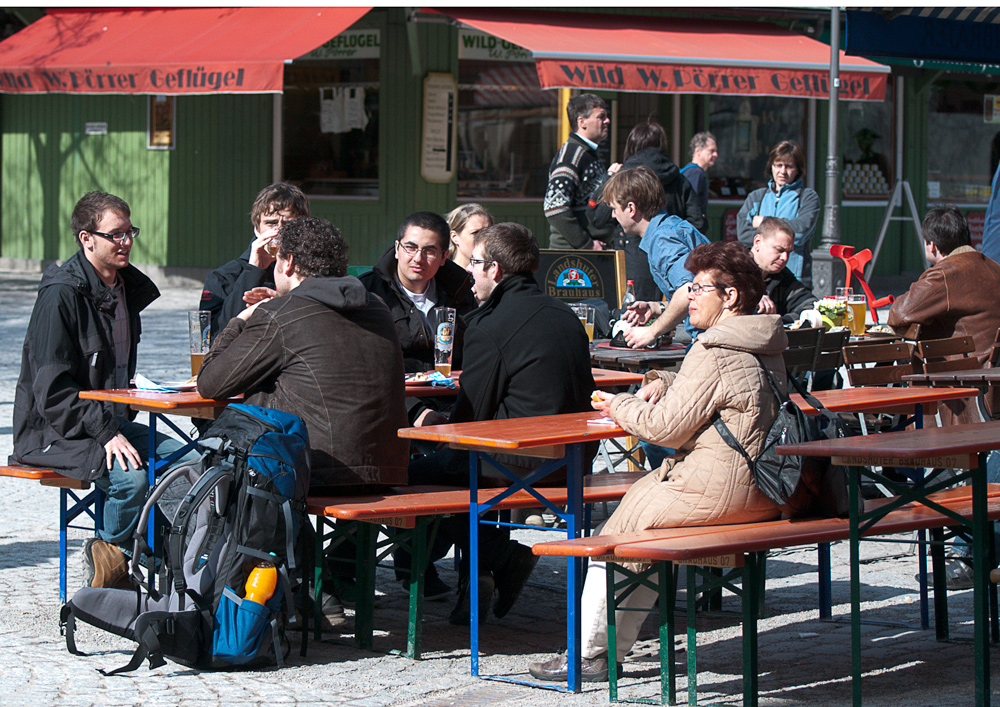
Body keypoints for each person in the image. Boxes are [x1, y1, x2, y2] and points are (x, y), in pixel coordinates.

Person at [528, 241, 786, 682]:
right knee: (638, 516)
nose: (688, 296)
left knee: (615, 533)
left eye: (700, 288)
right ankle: (603, 648)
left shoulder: (714, 351)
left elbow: (665, 429)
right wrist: (664, 380)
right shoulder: (763, 342)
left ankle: (590, 654)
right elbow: (718, 394)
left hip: (717, 490)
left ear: (730, 296)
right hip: (762, 488)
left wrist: (618, 406)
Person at [197, 216, 411, 627]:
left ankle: (311, 586)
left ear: (289, 262)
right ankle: (321, 583)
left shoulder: (280, 313)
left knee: (253, 464)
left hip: (315, 471)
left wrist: (245, 318)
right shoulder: (378, 307)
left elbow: (211, 383)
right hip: (387, 466)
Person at [408, 221, 596, 625]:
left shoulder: (489, 324)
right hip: (573, 460)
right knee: (458, 472)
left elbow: (469, 419)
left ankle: (496, 560)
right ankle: (482, 573)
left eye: (474, 263)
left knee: (415, 474)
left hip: (524, 466)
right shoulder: (563, 314)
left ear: (494, 269)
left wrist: (436, 428)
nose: (468, 272)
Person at [10, 191, 200, 588]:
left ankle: (159, 560)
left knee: (190, 463)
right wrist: (107, 431)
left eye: (130, 232)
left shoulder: (125, 288)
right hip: (54, 431)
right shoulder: (61, 295)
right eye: (115, 235)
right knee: (131, 480)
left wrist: (145, 394)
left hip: (108, 421)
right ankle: (111, 573)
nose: (126, 241)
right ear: (86, 238)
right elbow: (53, 393)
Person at [359, 212, 477, 426]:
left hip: (457, 402)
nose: (418, 258)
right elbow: (363, 368)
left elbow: (474, 354)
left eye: (429, 251)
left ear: (444, 257)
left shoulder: (460, 291)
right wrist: (416, 412)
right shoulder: (368, 293)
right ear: (396, 249)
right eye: (410, 248)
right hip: (395, 409)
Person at [887, 205, 1000, 424]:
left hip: (963, 390)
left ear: (932, 245)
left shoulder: (945, 274)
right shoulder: (994, 268)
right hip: (991, 384)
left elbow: (898, 314)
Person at [589, 120, 706, 301]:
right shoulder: (679, 177)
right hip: (678, 258)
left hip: (632, 261)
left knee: (634, 316)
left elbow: (598, 217)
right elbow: (697, 221)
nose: (614, 213)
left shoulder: (624, 177)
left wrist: (608, 177)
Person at [600, 166, 709, 349]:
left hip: (713, 340)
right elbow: (700, 291)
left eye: (614, 209)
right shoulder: (672, 226)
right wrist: (656, 308)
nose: (613, 215)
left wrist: (651, 332)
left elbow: (689, 290)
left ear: (631, 208)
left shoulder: (662, 239)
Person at [199, 183, 310, 333]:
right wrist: (253, 271)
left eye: (289, 224)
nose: (279, 231)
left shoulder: (316, 271)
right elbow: (213, 338)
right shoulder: (223, 277)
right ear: (257, 228)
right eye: (271, 223)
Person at [736, 141, 820, 289]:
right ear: (771, 167)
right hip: (758, 276)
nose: (782, 171)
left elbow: (800, 233)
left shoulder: (807, 197)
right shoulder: (757, 197)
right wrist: (787, 226)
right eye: (778, 165)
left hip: (795, 277)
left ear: (798, 169)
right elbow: (743, 234)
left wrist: (764, 222)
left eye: (789, 166)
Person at [544, 93, 615, 250]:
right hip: (572, 257)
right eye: (601, 117)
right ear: (582, 122)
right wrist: (587, 244)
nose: (607, 121)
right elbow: (554, 208)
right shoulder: (571, 156)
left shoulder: (588, 154)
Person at [751, 217, 816, 323]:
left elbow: (810, 305)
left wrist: (778, 322)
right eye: (779, 250)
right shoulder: (731, 268)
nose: (785, 258)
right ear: (757, 242)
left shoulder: (782, 276)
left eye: (789, 252)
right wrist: (748, 298)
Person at [681, 131, 718, 227]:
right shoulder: (695, 173)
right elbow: (692, 206)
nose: (715, 154)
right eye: (711, 151)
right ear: (698, 151)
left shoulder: (691, 171)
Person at [447, 203, 494, 270]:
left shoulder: (495, 272)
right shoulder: (443, 274)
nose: (484, 238)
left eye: (488, 232)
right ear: (454, 237)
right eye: (475, 233)